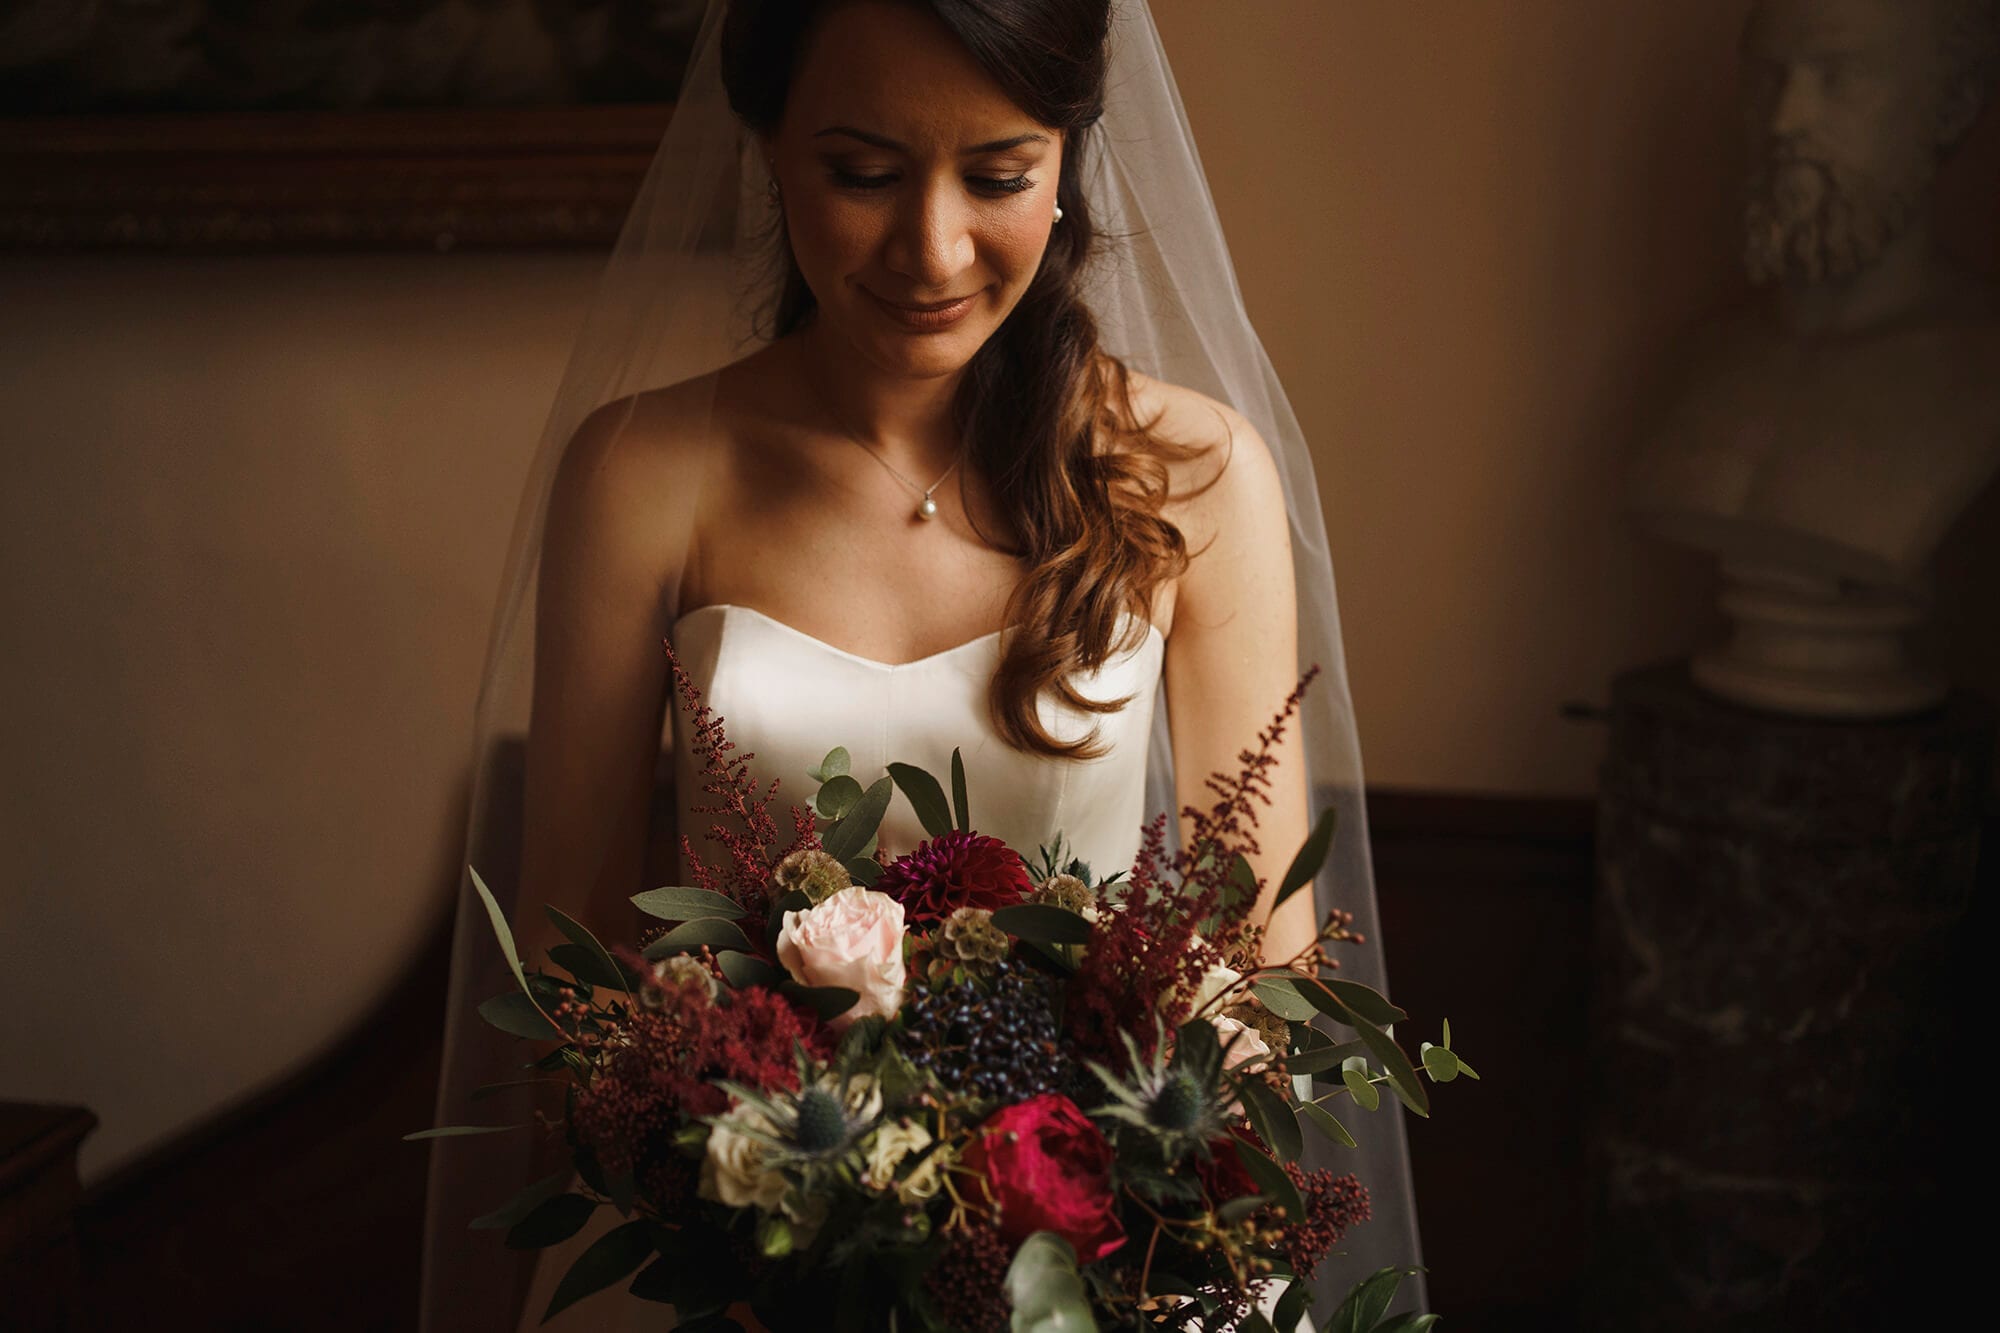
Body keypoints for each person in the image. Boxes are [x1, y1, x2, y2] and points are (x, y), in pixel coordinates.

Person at [422, 1, 1423, 1328]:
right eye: (865, 173)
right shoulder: (641, 476)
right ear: (771, 147)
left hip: (1109, 1272)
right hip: (741, 1269)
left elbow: (1266, 985)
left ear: (1070, 161)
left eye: (998, 176)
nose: (933, 247)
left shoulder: (1193, 478)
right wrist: (770, 1181)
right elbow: (571, 996)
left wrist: (1089, 1186)